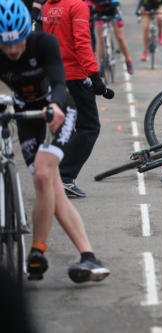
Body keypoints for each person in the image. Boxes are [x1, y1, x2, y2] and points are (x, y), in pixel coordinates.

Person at [0, 0, 110, 283]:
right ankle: (89, 257)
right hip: (26, 115)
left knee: (44, 175)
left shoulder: (43, 43)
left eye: (18, 43)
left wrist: (57, 106)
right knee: (49, 186)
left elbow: (60, 83)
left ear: (27, 33)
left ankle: (37, 248)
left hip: (58, 108)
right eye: (5, 45)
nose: (12, 51)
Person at [42, 0, 111, 198]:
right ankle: (64, 176)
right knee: (89, 127)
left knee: (63, 128)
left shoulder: (48, 5)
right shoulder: (77, 6)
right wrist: (95, 76)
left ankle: (55, 174)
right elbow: (82, 42)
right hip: (75, 77)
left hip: (54, 76)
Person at [92, 0, 134, 74]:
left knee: (120, 37)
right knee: (100, 38)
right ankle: (100, 65)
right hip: (99, 11)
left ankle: (128, 60)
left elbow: (116, 5)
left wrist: (119, 19)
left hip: (113, 9)